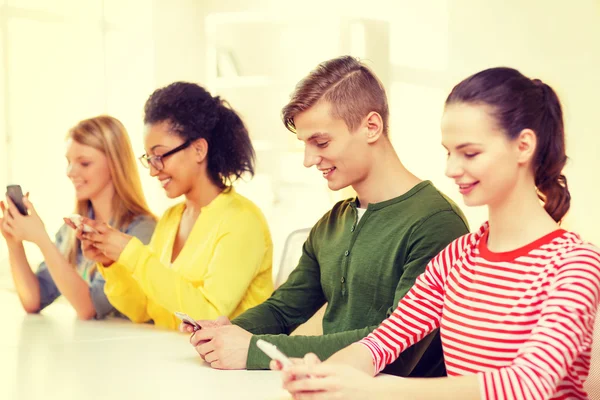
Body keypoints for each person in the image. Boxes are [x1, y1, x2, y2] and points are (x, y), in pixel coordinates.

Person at [279, 67, 600, 400]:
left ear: (523, 146)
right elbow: (383, 341)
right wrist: (326, 376)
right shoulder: (458, 257)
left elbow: (528, 383)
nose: (450, 170)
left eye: (470, 153)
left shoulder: (575, 264)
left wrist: (373, 392)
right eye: (449, 152)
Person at [183, 56, 469, 374]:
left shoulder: (437, 223)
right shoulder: (333, 222)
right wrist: (227, 332)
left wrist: (254, 351)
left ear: (371, 127)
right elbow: (283, 309)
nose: (308, 159)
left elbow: (396, 348)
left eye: (321, 142)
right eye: (305, 144)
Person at [78, 82, 274, 330]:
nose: (152, 169)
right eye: (149, 158)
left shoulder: (242, 221)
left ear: (198, 150)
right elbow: (142, 310)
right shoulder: (171, 218)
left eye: (160, 156)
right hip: (174, 360)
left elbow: (209, 317)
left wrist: (132, 253)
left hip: (228, 367)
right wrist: (111, 263)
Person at [0, 115, 156, 320]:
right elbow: (34, 299)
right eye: (69, 162)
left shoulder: (142, 230)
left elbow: (90, 308)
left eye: (84, 163)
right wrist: (13, 242)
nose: (70, 172)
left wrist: (42, 239)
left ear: (115, 164)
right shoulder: (71, 230)